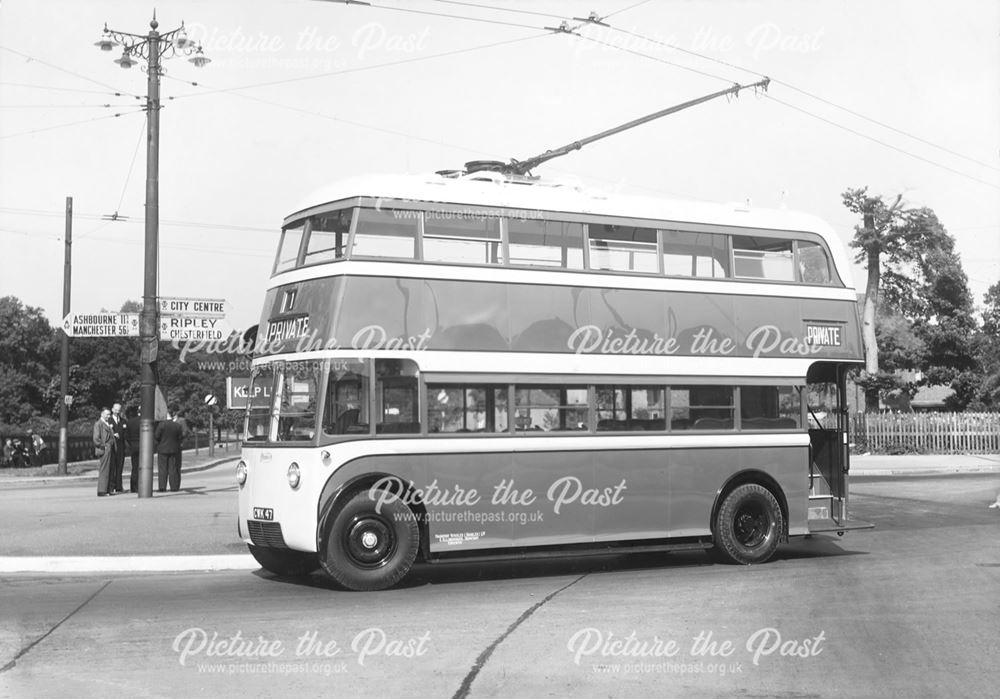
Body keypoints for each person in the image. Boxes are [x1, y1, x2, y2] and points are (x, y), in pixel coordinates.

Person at [154, 406, 185, 492]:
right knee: (173, 468)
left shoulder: (161, 425)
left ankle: (162, 487)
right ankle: (174, 487)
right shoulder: (177, 425)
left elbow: (156, 436)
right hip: (174, 449)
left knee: (163, 469)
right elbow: (180, 436)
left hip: (162, 449)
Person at [92, 408, 115, 496]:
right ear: (102, 414)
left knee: (109, 469)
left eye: (109, 414)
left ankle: (108, 489)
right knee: (104, 469)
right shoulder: (99, 424)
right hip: (104, 449)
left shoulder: (106, 423)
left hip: (109, 448)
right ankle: (102, 490)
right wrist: (103, 446)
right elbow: (96, 438)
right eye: (107, 414)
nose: (108, 416)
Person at [109, 402, 127, 494]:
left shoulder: (123, 421)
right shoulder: (109, 420)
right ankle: (111, 486)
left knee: (120, 467)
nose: (117, 411)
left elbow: (126, 433)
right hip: (112, 447)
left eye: (119, 410)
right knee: (112, 467)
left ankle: (119, 486)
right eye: (116, 409)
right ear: (112, 410)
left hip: (121, 447)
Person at [126, 406, 141, 493]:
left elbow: (126, 436)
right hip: (142, 445)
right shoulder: (143, 421)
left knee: (134, 467)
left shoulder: (130, 422)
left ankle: (133, 486)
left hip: (133, 445)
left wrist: (131, 443)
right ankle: (141, 485)